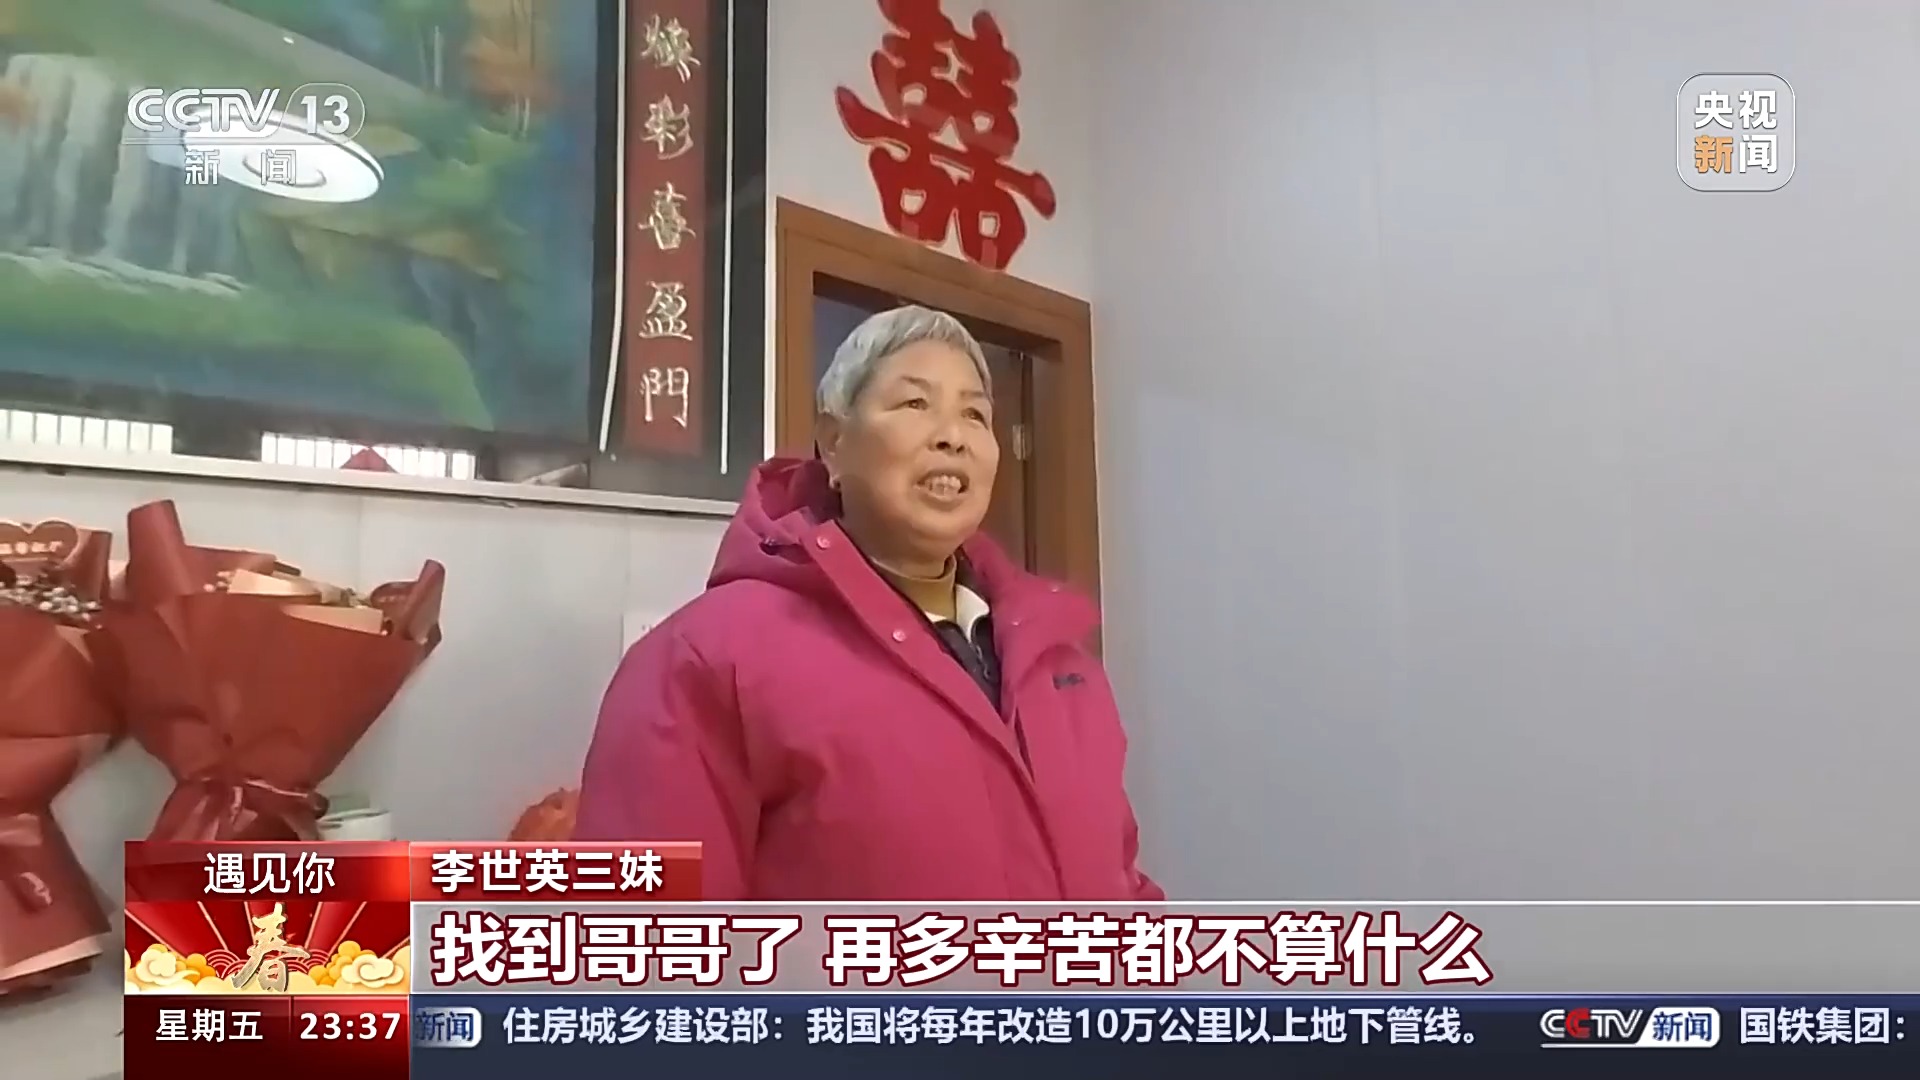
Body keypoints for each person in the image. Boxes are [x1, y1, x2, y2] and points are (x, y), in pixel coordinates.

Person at [575, 305, 1161, 901]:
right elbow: (650, 936)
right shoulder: (706, 658)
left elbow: (1123, 886)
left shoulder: (1061, 663)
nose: (952, 435)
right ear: (834, 442)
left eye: (975, 414)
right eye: (915, 403)